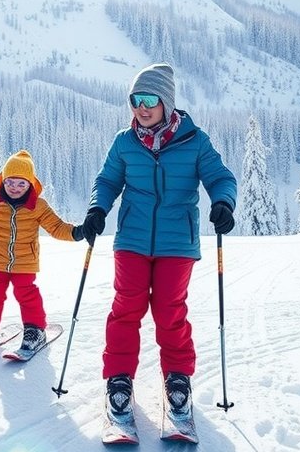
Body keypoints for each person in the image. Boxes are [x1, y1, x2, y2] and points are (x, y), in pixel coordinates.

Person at [79, 63, 237, 419]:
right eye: (135, 100)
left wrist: (224, 202)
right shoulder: (124, 142)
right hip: (132, 240)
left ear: (166, 101)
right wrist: (97, 209)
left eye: (149, 99)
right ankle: (119, 379)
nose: (142, 107)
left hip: (177, 244)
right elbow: (106, 182)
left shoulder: (195, 141)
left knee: (170, 311)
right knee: (126, 308)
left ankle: (178, 378)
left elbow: (221, 177)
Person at [0, 149, 84, 356]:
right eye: (10, 181)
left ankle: (35, 330)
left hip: (25, 261)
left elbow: (56, 227)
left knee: (26, 295)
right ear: (2, 180)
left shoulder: (38, 206)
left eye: (22, 183)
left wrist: (76, 232)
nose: (15, 188)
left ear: (30, 184)